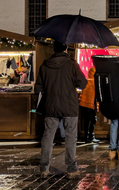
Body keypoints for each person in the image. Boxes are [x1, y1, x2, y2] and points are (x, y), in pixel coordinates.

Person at [34, 41, 87, 179]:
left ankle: (44, 168)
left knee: (48, 136)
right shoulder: (71, 64)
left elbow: (38, 87)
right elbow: (83, 83)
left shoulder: (45, 65)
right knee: (70, 137)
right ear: (65, 48)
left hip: (50, 105)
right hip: (69, 105)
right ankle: (71, 168)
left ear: (54, 49)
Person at [79, 67, 99, 144]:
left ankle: (85, 137)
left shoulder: (86, 81)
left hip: (83, 104)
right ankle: (91, 136)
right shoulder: (95, 82)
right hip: (91, 105)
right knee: (93, 120)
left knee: (86, 121)